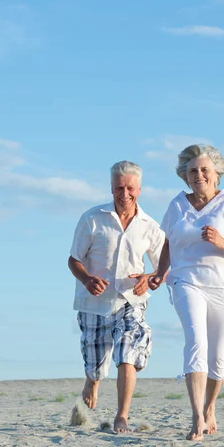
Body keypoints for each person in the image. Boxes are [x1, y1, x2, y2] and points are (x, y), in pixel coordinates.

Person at [149, 144, 224, 441]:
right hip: (187, 282)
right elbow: (169, 242)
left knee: (218, 356)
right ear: (185, 175)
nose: (199, 175)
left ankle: (210, 408)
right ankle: (196, 416)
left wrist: (222, 242)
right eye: (193, 170)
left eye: (204, 170)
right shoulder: (176, 205)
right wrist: (160, 272)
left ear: (216, 173)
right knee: (196, 342)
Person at [68, 161, 164, 432]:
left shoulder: (149, 226)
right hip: (94, 304)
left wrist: (149, 278)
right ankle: (93, 380)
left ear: (139, 189)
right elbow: (74, 259)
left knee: (127, 354)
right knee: (96, 364)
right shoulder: (92, 218)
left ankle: (122, 416)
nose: (125, 194)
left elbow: (164, 266)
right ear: (111, 188)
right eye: (119, 188)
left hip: (131, 301)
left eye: (130, 188)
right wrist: (87, 279)